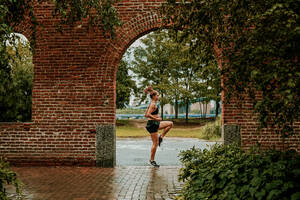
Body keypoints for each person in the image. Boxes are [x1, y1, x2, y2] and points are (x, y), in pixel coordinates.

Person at [144, 86, 173, 167]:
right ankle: (152, 160)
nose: (158, 96)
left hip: (154, 124)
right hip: (152, 124)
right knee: (155, 144)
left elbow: (146, 114)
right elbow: (147, 115)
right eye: (157, 95)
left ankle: (161, 137)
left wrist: (150, 90)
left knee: (170, 124)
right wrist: (156, 118)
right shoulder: (152, 104)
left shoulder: (152, 103)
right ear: (153, 96)